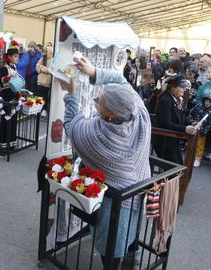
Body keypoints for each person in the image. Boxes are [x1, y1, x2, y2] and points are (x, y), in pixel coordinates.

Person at [60, 57, 151, 268]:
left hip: (115, 199)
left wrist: (71, 94)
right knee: (130, 230)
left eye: (98, 101)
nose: (95, 102)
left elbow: (72, 126)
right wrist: (93, 72)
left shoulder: (99, 135)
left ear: (111, 112)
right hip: (138, 188)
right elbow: (120, 81)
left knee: (112, 240)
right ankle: (133, 257)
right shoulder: (139, 112)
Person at [154, 74, 199, 165]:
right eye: (182, 87)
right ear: (173, 87)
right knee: (175, 169)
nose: (185, 89)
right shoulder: (165, 101)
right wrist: (185, 129)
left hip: (173, 141)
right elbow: (165, 123)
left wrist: (192, 123)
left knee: (179, 166)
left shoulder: (176, 99)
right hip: (164, 142)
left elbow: (181, 117)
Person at [0, 47, 20, 148]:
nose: (17, 58)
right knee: (6, 119)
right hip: (6, 96)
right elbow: (1, 81)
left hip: (14, 95)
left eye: (18, 57)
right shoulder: (4, 68)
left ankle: (11, 142)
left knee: (13, 119)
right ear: (9, 57)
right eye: (15, 56)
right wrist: (10, 77)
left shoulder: (14, 67)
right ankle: (2, 144)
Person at [189, 94, 211, 167]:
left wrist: (204, 131)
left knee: (200, 145)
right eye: (206, 100)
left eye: (210, 102)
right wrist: (191, 121)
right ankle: (190, 157)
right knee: (191, 143)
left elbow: (210, 124)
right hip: (193, 127)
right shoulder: (198, 106)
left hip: (201, 131)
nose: (207, 103)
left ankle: (198, 158)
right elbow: (191, 114)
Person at [35, 46, 53, 116]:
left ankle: (44, 109)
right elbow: (37, 66)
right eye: (44, 51)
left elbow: (51, 70)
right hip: (40, 81)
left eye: (46, 51)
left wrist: (42, 68)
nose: (45, 53)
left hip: (47, 82)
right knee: (39, 95)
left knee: (45, 96)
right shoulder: (42, 58)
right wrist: (43, 68)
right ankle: (37, 109)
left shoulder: (52, 60)